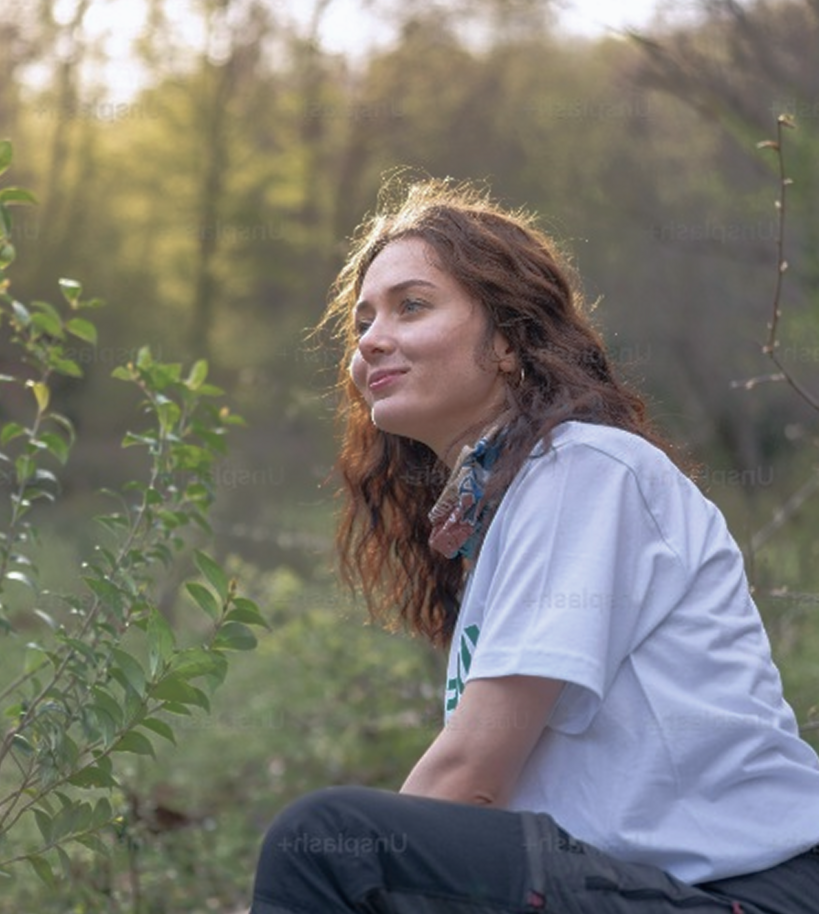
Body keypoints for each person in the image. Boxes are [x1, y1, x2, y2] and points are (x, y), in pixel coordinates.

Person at [249, 178, 819, 913]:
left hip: (743, 892)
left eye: (411, 306)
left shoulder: (586, 469)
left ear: (509, 341)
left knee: (327, 842)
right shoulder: (506, 511)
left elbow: (470, 778)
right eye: (362, 321)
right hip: (632, 888)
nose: (370, 340)